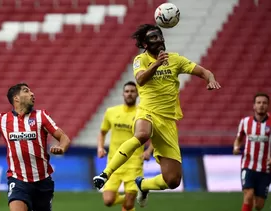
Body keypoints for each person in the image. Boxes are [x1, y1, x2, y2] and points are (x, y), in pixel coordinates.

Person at [92, 24, 221, 207]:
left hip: (168, 122)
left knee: (173, 180)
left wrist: (211, 79)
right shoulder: (140, 59)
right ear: (145, 44)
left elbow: (203, 71)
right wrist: (158, 63)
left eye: (160, 36)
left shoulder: (176, 59)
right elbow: (141, 79)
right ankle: (105, 173)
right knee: (142, 134)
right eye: (153, 37)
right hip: (147, 112)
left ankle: (143, 184)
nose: (159, 39)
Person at [0, 83, 71, 211]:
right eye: (26, 91)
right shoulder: (3, 119)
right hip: (18, 180)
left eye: (31, 91)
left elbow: (64, 138)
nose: (32, 94)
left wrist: (61, 148)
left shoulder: (41, 116)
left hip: (43, 181)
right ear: (16, 98)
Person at [97, 81, 154, 211]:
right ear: (123, 93)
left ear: (137, 94)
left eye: (132, 91)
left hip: (134, 163)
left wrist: (149, 151)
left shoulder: (143, 113)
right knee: (108, 201)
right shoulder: (111, 112)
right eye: (127, 91)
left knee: (128, 205)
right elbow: (102, 133)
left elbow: (155, 136)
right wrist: (100, 148)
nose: (129, 94)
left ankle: (131, 199)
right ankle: (134, 196)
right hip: (114, 162)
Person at [233, 93, 271, 211]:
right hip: (248, 165)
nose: (261, 105)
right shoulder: (245, 122)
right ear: (254, 106)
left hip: (266, 168)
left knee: (258, 206)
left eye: (264, 103)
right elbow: (238, 139)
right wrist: (236, 147)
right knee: (248, 195)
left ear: (268, 106)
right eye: (258, 103)